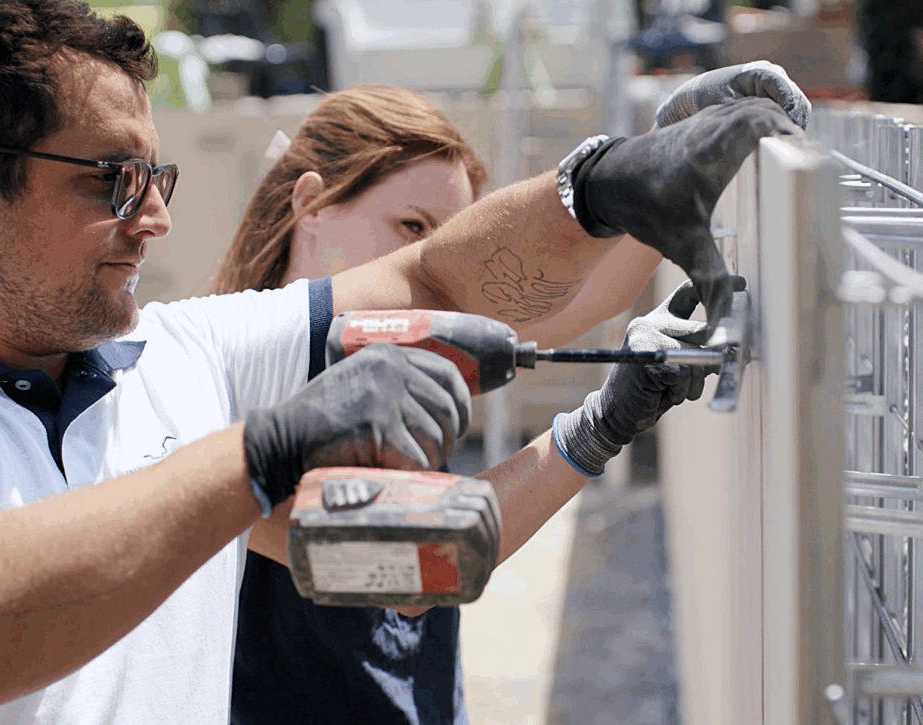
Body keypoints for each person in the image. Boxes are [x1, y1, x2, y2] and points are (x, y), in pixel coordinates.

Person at [0, 2, 801, 723]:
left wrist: (606, 185)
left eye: (156, 180)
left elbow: (445, 281)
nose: (155, 220)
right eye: (112, 180)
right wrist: (264, 450)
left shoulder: (180, 355)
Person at [214, 72, 809, 725]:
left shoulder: (384, 344)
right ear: (311, 205)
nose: (433, 267)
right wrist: (596, 429)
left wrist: (662, 147)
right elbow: (415, 557)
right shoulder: (229, 392)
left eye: (447, 239)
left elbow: (588, 299)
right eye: (411, 226)